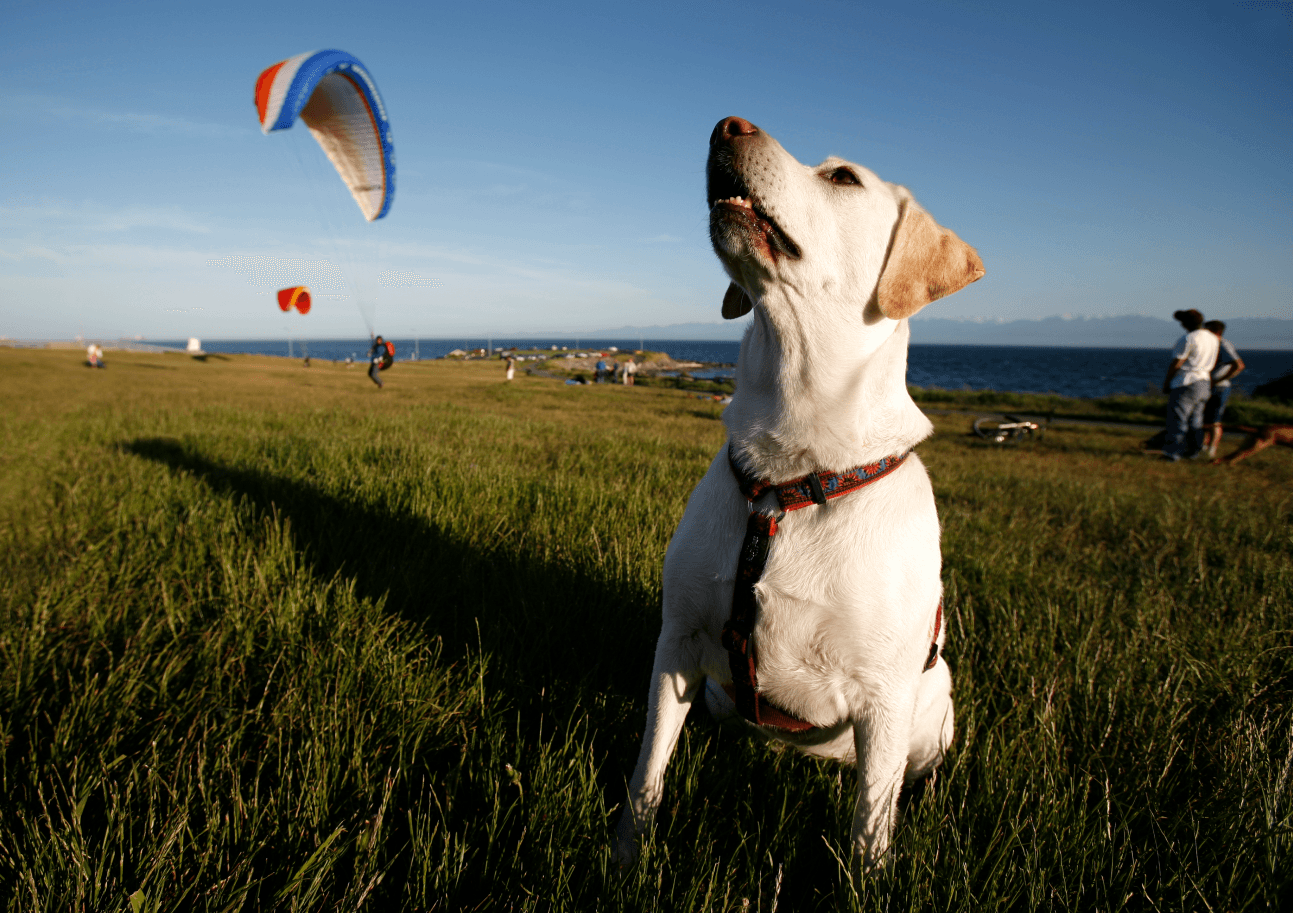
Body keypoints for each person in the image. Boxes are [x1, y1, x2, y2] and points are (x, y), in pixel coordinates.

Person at [1160, 309, 1219, 461]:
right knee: (1196, 421)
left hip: (1187, 381)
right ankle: (1194, 451)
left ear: (1185, 323)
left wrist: (1167, 383)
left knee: (1178, 419)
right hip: (1204, 381)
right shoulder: (1213, 338)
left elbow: (1177, 362)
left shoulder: (1188, 338)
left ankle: (1173, 453)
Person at [1201, 320, 1244, 459]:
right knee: (1203, 419)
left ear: (1215, 331)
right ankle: (1203, 447)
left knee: (1214, 421)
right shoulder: (1211, 345)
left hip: (1219, 388)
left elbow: (1238, 365)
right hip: (1208, 385)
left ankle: (1211, 450)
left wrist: (1219, 379)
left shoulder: (1223, 345)